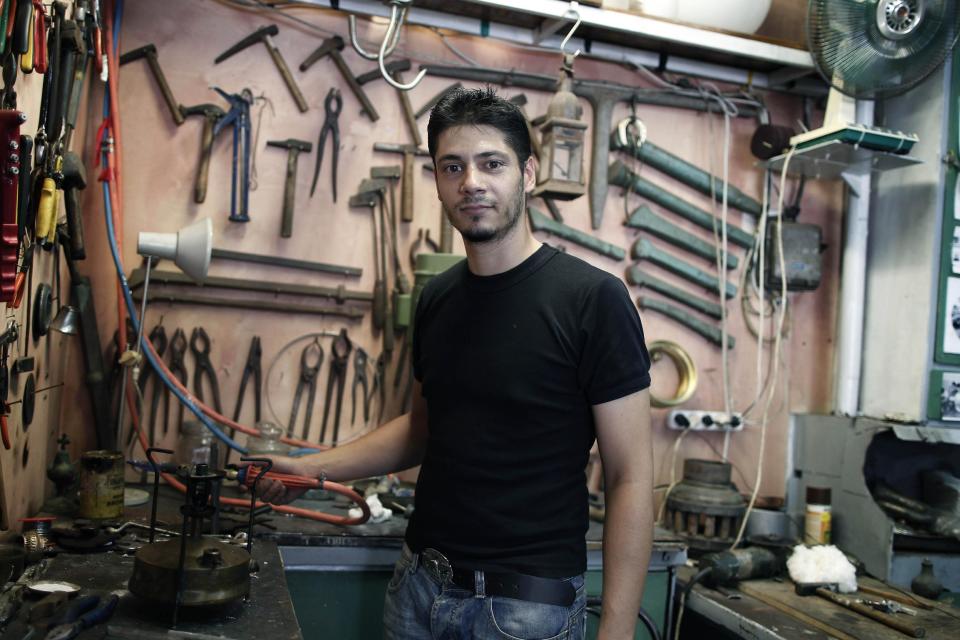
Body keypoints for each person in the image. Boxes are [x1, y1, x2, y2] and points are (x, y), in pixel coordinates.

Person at [254, 87, 653, 640]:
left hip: (524, 610)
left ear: (528, 173)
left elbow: (630, 475)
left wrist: (616, 629)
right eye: (452, 166)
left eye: (492, 163)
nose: (472, 182)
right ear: (438, 180)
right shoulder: (437, 298)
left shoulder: (594, 300)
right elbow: (421, 430)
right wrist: (312, 467)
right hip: (418, 589)